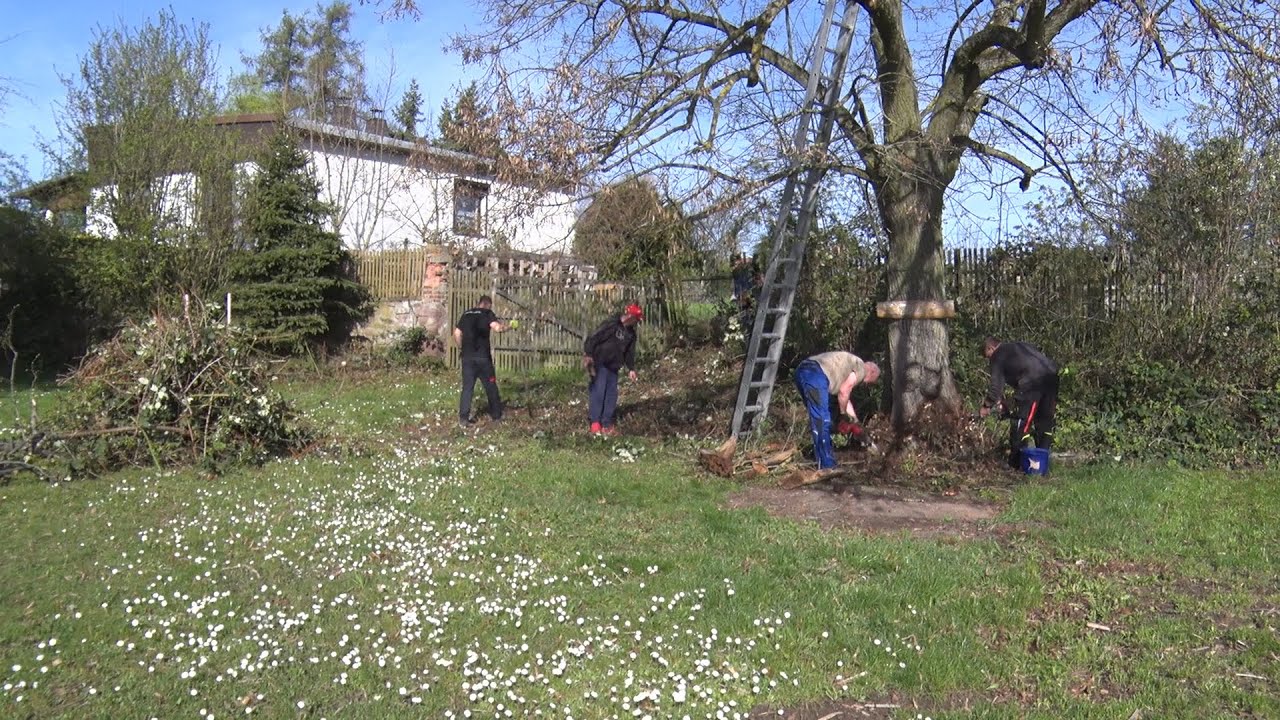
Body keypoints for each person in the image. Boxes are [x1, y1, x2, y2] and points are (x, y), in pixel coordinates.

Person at [979, 335, 1060, 468]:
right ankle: (1042, 462)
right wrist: (1003, 403)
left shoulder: (998, 355)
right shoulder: (1020, 346)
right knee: (1045, 421)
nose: (988, 359)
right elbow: (1023, 371)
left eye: (986, 355)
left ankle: (1016, 462)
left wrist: (986, 406)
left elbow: (995, 387)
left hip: (1033, 383)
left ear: (991, 348)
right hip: (1052, 376)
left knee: (1022, 422)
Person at [793, 351, 881, 469]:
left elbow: (845, 397)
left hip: (804, 371)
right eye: (871, 381)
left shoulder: (851, 365)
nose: (867, 384)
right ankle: (827, 465)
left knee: (821, 417)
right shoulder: (861, 369)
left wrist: (855, 422)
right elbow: (844, 392)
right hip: (815, 375)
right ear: (872, 372)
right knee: (821, 420)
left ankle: (822, 456)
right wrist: (843, 416)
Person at [452, 295, 516, 426]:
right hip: (483, 359)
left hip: (467, 358)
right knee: (491, 386)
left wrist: (462, 348)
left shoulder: (466, 314)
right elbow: (498, 328)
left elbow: (457, 334)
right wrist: (510, 326)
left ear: (478, 303)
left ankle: (463, 419)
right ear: (488, 304)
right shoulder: (487, 313)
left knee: (467, 388)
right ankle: (496, 416)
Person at [582, 303, 643, 435]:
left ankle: (607, 423)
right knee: (598, 392)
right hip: (600, 363)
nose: (636, 322)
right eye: (636, 319)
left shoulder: (631, 334)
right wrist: (588, 354)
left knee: (611, 395)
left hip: (614, 367)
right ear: (630, 316)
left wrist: (631, 368)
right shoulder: (611, 324)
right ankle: (595, 422)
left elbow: (629, 352)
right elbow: (594, 338)